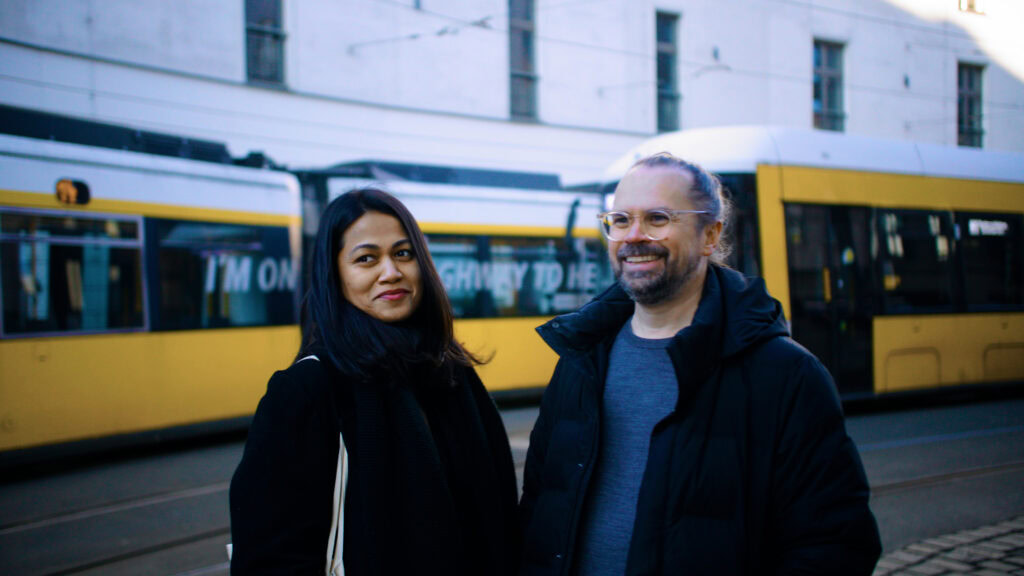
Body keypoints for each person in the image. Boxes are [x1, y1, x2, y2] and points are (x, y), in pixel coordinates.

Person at [519, 153, 881, 575]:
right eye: (620, 220)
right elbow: (539, 511)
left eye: (657, 218)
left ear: (710, 235)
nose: (633, 236)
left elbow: (834, 546)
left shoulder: (786, 376)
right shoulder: (580, 360)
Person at [230, 188, 519, 575]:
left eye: (403, 253)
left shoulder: (452, 373)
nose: (391, 272)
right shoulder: (307, 389)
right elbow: (267, 556)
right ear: (335, 275)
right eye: (366, 258)